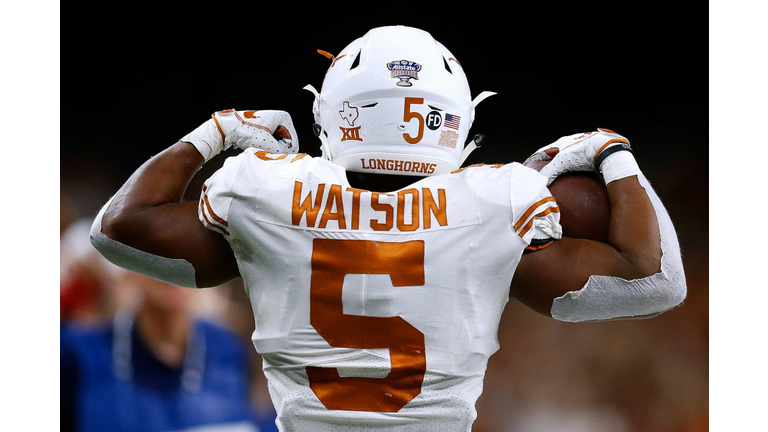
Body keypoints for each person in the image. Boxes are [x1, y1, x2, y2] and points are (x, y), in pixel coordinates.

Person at [89, 25, 686, 431]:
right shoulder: (494, 200)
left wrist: (214, 132)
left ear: (334, 109)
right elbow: (655, 281)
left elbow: (117, 229)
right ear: (453, 118)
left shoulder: (268, 188)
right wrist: (611, 151)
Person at [60, 269, 271, 432]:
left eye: (187, 249)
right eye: (153, 250)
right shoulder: (77, 356)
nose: (171, 264)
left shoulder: (229, 349)